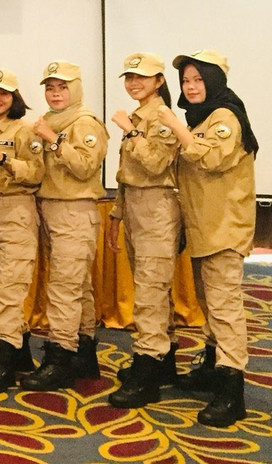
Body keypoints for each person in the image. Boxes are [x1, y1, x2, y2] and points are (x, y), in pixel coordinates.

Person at [160, 50, 257, 427]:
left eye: (199, 79)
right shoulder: (201, 118)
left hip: (224, 231)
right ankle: (213, 367)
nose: (191, 86)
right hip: (203, 230)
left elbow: (212, 158)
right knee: (210, 306)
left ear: (215, 81)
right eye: (186, 81)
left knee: (225, 310)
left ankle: (232, 394)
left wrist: (176, 127)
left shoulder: (225, 117)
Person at [22, 61, 108, 391]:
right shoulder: (50, 121)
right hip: (50, 209)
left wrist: (53, 139)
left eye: (62, 87)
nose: (55, 93)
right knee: (77, 287)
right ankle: (83, 354)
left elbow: (85, 167)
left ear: (77, 88)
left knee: (64, 287)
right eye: (50, 88)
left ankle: (60, 357)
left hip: (74, 210)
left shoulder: (84, 122)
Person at [105, 53, 181, 408]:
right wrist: (117, 216)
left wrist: (131, 131)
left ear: (159, 81)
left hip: (156, 208)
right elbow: (126, 175)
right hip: (136, 207)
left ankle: (147, 372)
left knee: (150, 292)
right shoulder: (139, 116)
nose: (134, 83)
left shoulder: (162, 117)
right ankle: (164, 362)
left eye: (143, 78)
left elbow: (154, 164)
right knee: (151, 287)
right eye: (130, 77)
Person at [0, 69, 43, 394]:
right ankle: (20, 354)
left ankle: (3, 363)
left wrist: (5, 160)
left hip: (16, 210)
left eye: (3, 94)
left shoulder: (24, 131)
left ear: (15, 98)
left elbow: (36, 172)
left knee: (10, 290)